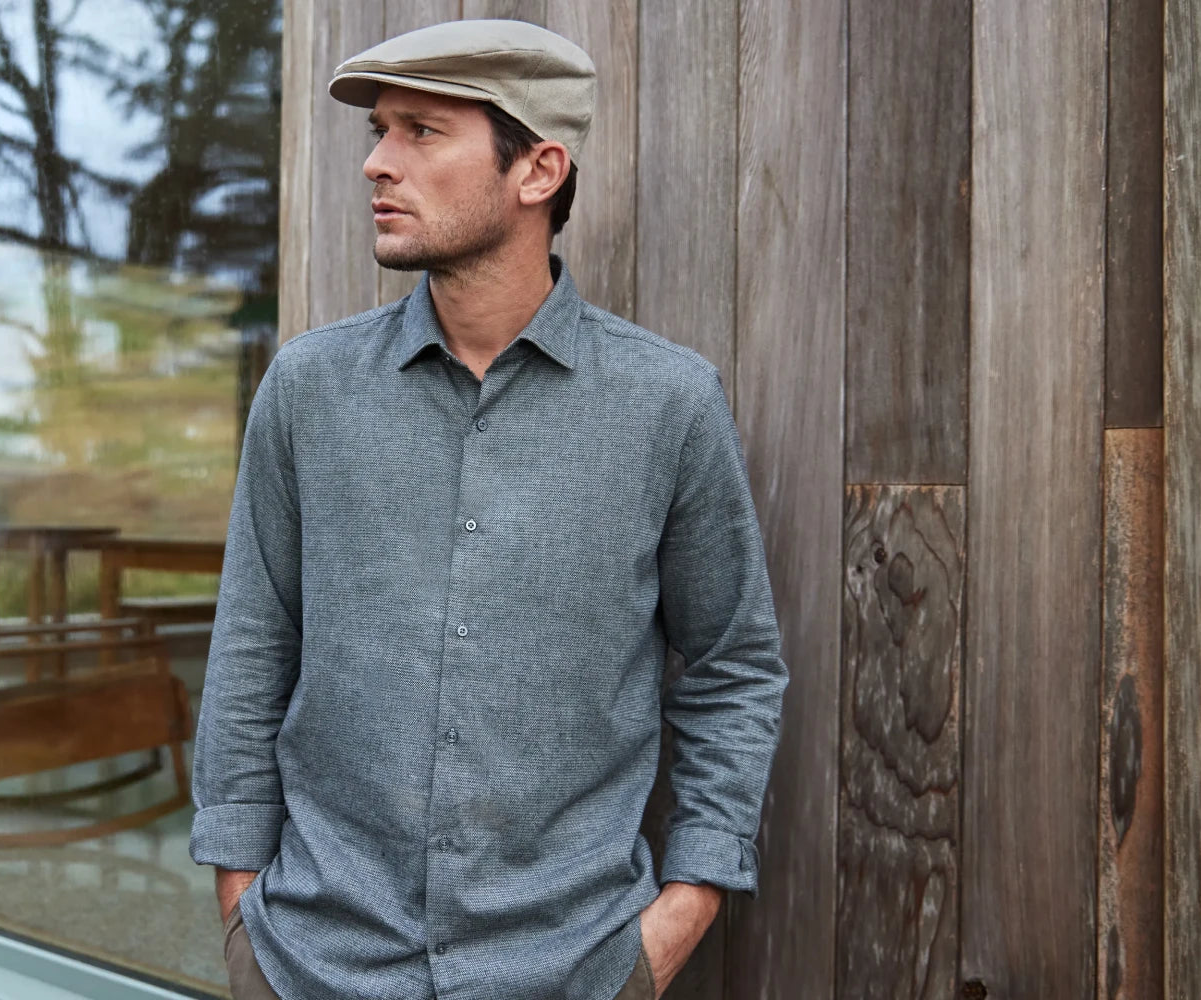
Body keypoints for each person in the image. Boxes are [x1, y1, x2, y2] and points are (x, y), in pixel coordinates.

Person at [188, 18, 789, 1000]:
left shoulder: (668, 404)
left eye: (421, 133)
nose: (379, 164)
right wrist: (242, 909)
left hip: (576, 969)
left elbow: (733, 665)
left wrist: (684, 908)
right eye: (379, 132)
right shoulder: (309, 390)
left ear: (539, 171)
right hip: (310, 965)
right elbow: (254, 644)